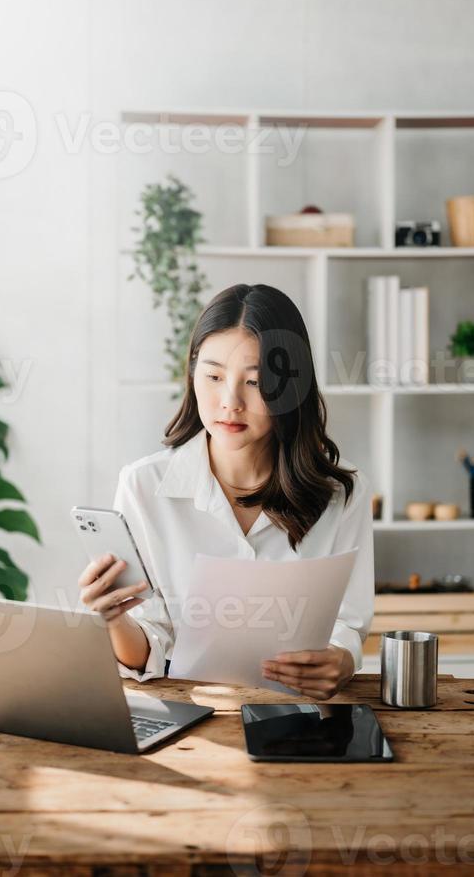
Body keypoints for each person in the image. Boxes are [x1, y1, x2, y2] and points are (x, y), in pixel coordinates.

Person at [78, 283, 374, 700]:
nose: (229, 402)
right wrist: (112, 620)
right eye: (214, 376)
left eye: (254, 382)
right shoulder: (143, 487)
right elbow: (149, 644)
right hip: (187, 717)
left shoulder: (342, 493)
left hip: (301, 714)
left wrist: (341, 660)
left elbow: (348, 626)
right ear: (193, 375)